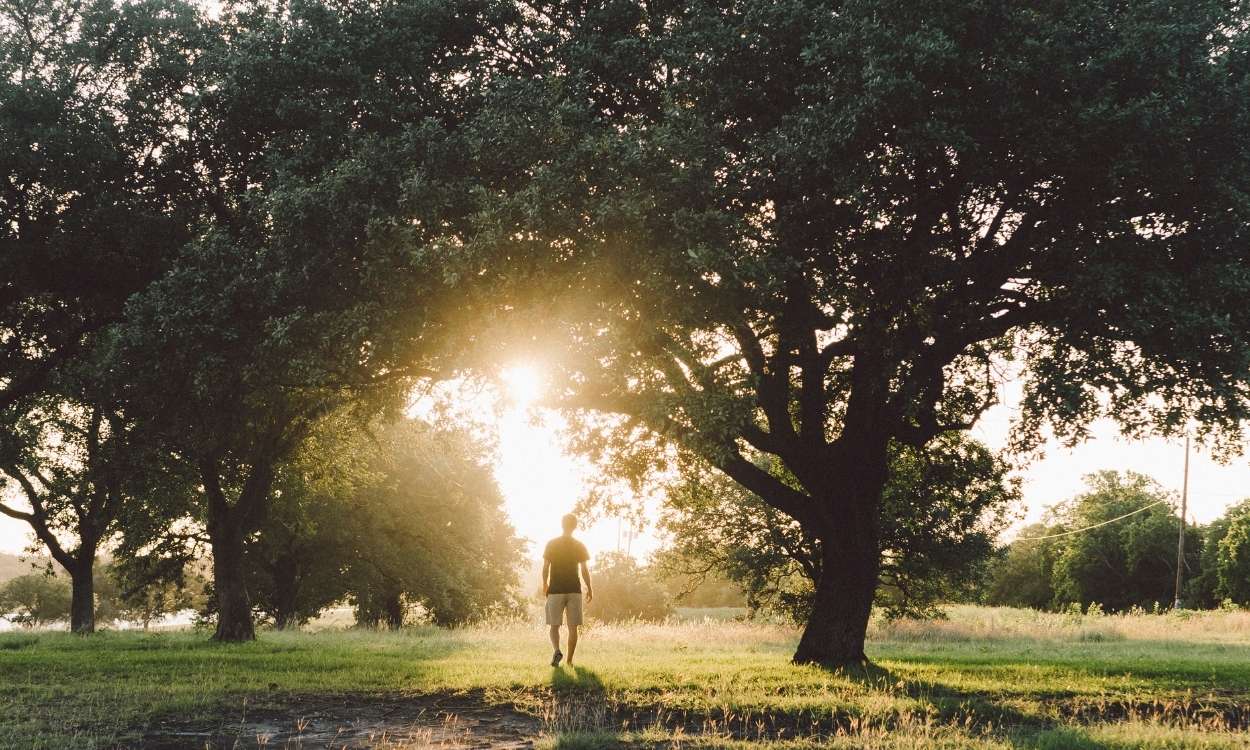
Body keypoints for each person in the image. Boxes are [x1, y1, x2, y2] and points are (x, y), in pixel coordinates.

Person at [542, 513, 593, 667]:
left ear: (561, 524)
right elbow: (584, 570)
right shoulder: (579, 545)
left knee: (554, 625)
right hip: (574, 590)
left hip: (555, 590)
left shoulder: (551, 544)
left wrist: (545, 585)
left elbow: (545, 567)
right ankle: (570, 661)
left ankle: (557, 650)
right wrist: (590, 588)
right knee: (573, 628)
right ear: (575, 526)